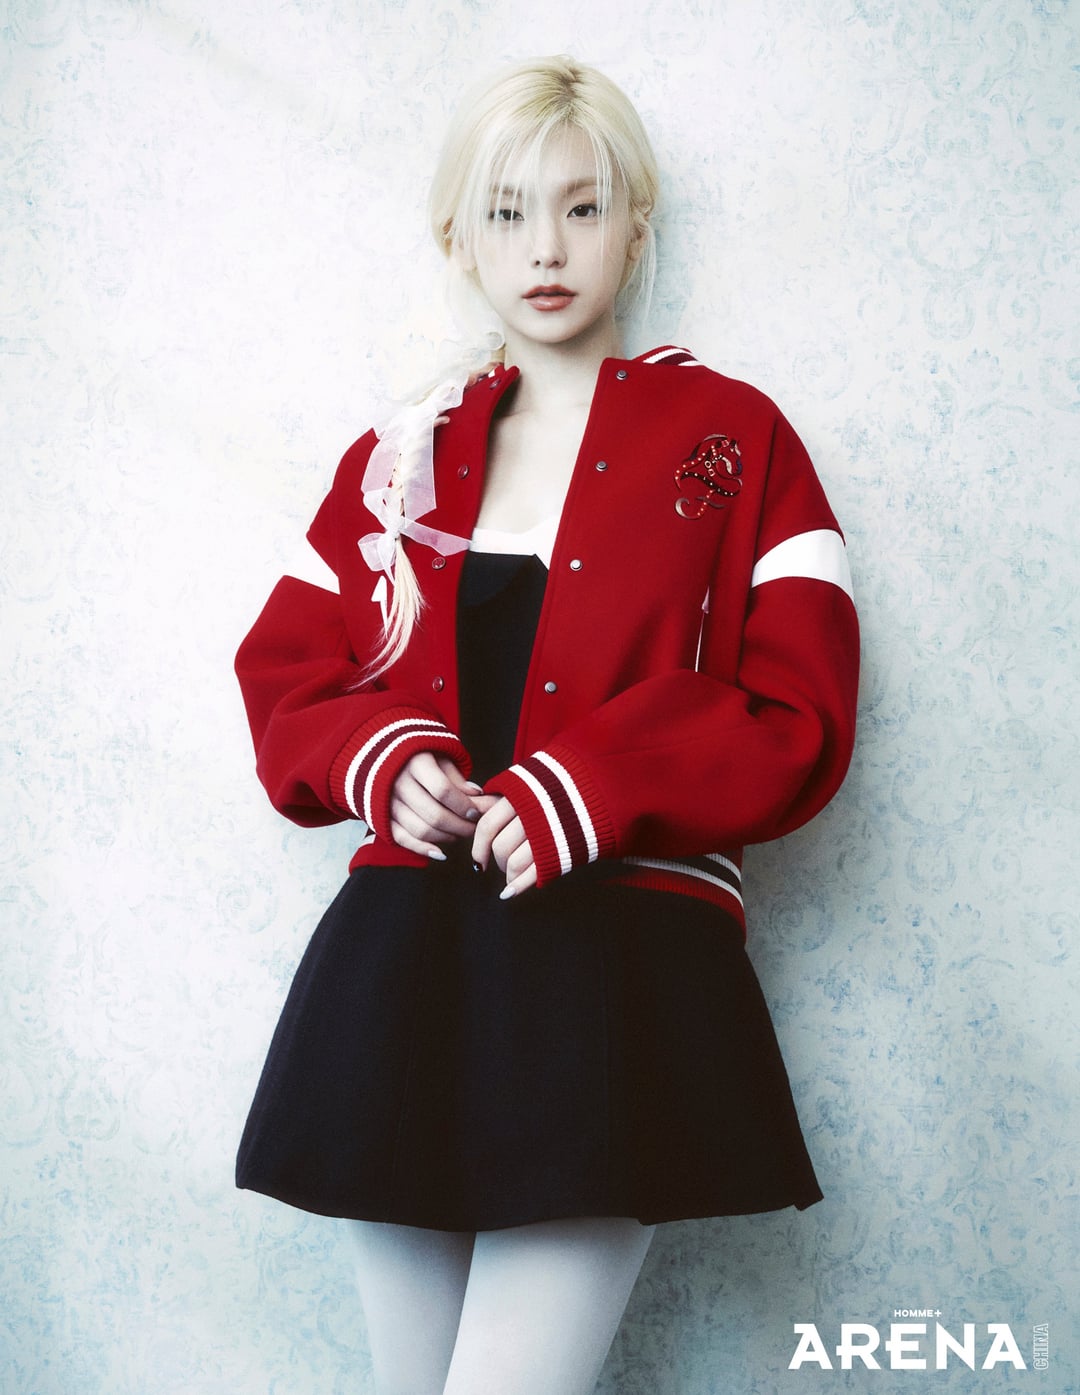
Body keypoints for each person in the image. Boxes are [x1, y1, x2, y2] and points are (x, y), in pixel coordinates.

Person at [234, 55, 859, 1395]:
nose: (548, 249)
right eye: (508, 213)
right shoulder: (394, 457)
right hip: (402, 970)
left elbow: (800, 713)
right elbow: (289, 673)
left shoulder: (735, 438)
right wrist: (381, 762)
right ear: (456, 237)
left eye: (583, 208)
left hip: (620, 974)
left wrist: (594, 783)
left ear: (637, 222)